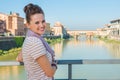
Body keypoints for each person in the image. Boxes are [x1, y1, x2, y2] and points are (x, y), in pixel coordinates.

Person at [17, 3, 57, 80]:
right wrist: (54, 64)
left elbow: (19, 58)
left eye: (43, 21)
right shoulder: (35, 42)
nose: (42, 25)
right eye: (37, 23)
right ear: (28, 25)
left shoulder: (29, 39)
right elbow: (50, 73)